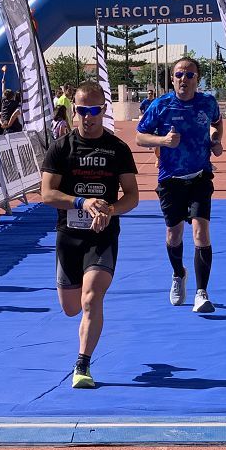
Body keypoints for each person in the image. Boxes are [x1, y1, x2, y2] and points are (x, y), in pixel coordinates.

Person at [41, 80, 139, 388]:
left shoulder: (117, 149)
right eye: (82, 110)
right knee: (71, 308)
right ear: (74, 111)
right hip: (68, 235)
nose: (89, 117)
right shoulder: (61, 148)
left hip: (102, 236)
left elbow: (132, 196)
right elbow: (46, 194)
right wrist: (82, 202)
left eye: (95, 110)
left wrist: (109, 210)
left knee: (91, 298)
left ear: (103, 110)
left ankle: (82, 365)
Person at [136, 57, 224, 313]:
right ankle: (178, 274)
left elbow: (217, 122)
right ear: (172, 78)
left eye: (189, 75)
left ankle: (202, 292)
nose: (183, 79)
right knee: (173, 235)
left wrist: (216, 139)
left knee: (200, 232)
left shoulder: (207, 102)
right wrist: (163, 141)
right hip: (170, 180)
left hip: (199, 176)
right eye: (178, 75)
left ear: (197, 78)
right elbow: (140, 137)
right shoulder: (160, 105)